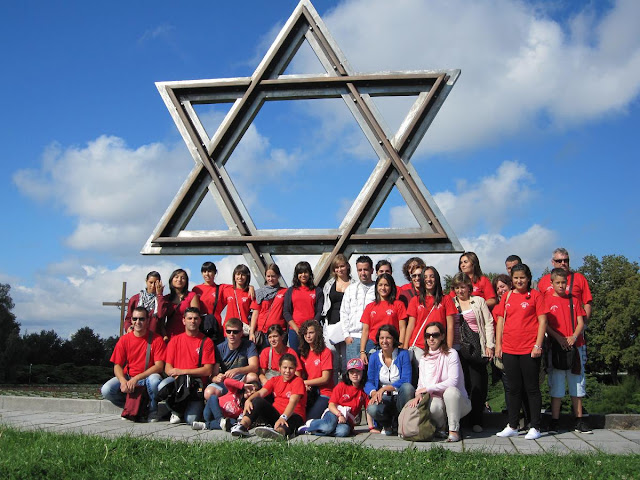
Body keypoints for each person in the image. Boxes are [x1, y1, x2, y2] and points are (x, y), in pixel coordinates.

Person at [495, 264, 547, 440]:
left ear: (528, 278)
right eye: (516, 278)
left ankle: (535, 426)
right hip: (509, 348)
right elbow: (501, 320)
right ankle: (513, 425)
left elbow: (542, 321)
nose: (519, 281)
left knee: (531, 388)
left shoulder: (536, 296)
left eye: (522, 278)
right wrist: (498, 345)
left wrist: (538, 345)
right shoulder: (508, 296)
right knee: (513, 389)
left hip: (529, 349)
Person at [405, 322, 471, 442]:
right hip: (437, 399)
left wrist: (428, 389)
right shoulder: (424, 358)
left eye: (435, 335)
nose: (431, 338)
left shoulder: (451, 354)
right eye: (428, 335)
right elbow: (421, 384)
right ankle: (441, 427)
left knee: (450, 392)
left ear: (442, 336)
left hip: (458, 402)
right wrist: (418, 394)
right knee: (434, 406)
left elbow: (453, 381)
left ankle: (453, 430)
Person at [545, 268, 590, 434]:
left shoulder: (574, 300)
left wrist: (574, 336)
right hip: (556, 347)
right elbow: (545, 324)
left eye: (564, 282)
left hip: (574, 347)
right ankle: (554, 420)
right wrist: (558, 338)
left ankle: (579, 419)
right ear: (552, 284)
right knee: (556, 385)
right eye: (558, 282)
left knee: (577, 384)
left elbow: (580, 321)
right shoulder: (547, 300)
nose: (561, 285)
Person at [101, 307, 166, 422]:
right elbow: (117, 365)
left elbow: (159, 366)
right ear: (131, 320)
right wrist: (123, 381)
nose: (138, 322)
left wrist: (137, 378)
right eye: (135, 319)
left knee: (155, 381)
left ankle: (152, 410)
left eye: (141, 319)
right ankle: (133, 407)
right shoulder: (124, 340)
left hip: (147, 377)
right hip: (128, 376)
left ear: (148, 320)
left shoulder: (157, 339)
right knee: (106, 389)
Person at [450, 273, 494, 433]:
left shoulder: (478, 301)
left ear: (469, 287)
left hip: (476, 347)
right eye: (457, 287)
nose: (460, 290)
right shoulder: (451, 303)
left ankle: (477, 419)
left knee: (477, 385)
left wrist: (490, 345)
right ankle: (461, 419)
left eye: (463, 287)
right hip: (456, 348)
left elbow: (488, 322)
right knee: (461, 384)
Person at [157, 307, 216, 424]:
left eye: (195, 318)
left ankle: (179, 410)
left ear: (200, 321)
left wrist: (183, 372)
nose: (192, 321)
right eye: (189, 318)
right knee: (161, 386)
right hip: (177, 381)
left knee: (191, 420)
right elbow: (167, 367)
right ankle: (176, 410)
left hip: (195, 384)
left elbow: (207, 370)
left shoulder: (206, 341)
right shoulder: (175, 340)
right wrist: (178, 376)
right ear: (184, 320)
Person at [231, 353, 307, 439]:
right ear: (279, 368)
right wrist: (249, 400)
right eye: (285, 368)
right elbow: (260, 393)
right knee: (257, 400)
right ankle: (242, 426)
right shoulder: (275, 380)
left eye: (291, 368)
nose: (287, 371)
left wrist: (284, 417)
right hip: (277, 415)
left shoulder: (298, 381)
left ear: (295, 369)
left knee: (291, 421)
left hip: (293, 415)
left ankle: (279, 433)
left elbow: (293, 401)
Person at [404, 267, 456, 375]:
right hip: (419, 346)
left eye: (432, 276)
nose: (429, 279)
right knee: (420, 378)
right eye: (426, 277)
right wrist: (405, 347)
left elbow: (450, 326)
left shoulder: (446, 299)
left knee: (437, 377)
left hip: (439, 345)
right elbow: (411, 325)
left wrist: (449, 349)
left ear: (436, 279)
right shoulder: (415, 300)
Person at [298, 358, 368, 437]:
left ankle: (315, 430)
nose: (355, 374)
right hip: (334, 412)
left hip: (346, 420)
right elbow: (331, 405)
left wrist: (371, 427)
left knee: (343, 432)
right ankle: (311, 423)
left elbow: (367, 409)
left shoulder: (364, 390)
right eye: (352, 372)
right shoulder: (341, 386)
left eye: (358, 371)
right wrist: (339, 415)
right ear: (348, 373)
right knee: (328, 426)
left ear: (363, 372)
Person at [365, 325, 415, 435]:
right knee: (372, 408)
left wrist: (385, 388)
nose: (384, 341)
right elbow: (369, 381)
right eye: (381, 338)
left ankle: (400, 421)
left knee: (408, 388)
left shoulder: (403, 354)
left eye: (388, 338)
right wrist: (374, 392)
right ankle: (386, 424)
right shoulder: (374, 357)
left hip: (399, 395)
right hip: (383, 397)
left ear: (394, 339)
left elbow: (406, 379)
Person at [204, 317, 259, 401]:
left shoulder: (249, 345)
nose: (231, 334)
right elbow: (213, 375)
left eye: (235, 332)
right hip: (227, 382)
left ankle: (241, 401)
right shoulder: (219, 348)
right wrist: (217, 378)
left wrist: (237, 370)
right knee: (208, 392)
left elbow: (254, 367)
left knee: (252, 377)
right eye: (228, 331)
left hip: (242, 380)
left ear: (241, 333)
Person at [359, 273, 407, 364]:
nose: (383, 288)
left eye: (386, 285)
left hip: (392, 345)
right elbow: (365, 330)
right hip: (372, 345)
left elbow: (402, 328)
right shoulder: (370, 306)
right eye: (380, 285)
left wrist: (400, 347)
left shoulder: (398, 305)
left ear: (391, 287)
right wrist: (362, 351)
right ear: (376, 287)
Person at [321, 254, 356, 379]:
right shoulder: (329, 285)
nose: (339, 269)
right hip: (331, 326)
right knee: (332, 360)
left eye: (342, 266)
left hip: (348, 327)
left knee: (347, 361)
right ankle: (334, 390)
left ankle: (347, 389)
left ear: (347, 266)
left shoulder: (354, 285)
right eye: (336, 267)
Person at [538, 248, 593, 323]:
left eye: (566, 260)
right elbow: (539, 305)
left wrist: (584, 324)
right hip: (551, 326)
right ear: (553, 262)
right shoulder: (544, 280)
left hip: (574, 326)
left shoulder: (579, 278)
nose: (563, 263)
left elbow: (588, 302)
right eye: (559, 261)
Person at [340, 256, 376, 366]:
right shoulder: (351, 289)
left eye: (366, 269)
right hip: (353, 337)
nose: (363, 273)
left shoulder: (378, 289)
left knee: (369, 373)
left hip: (371, 338)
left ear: (372, 270)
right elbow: (344, 312)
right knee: (353, 374)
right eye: (360, 270)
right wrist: (346, 335)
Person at [283, 261, 323, 354]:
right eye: (300, 273)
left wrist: (311, 330)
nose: (303, 275)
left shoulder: (317, 290)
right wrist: (296, 329)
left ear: (310, 274)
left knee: (312, 357)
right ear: (297, 275)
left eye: (306, 272)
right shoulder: (291, 290)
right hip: (295, 331)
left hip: (312, 332)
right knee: (296, 359)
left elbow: (319, 311)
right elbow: (286, 312)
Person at [191, 379, 260, 431]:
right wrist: (242, 385)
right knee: (213, 397)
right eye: (251, 389)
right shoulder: (234, 391)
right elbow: (226, 381)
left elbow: (242, 421)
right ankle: (220, 420)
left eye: (254, 392)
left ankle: (205, 425)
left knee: (233, 422)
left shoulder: (245, 406)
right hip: (211, 413)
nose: (251, 392)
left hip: (223, 421)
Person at [298, 320, 334, 420]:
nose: (308, 336)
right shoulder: (304, 354)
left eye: (311, 333)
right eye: (305, 334)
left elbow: (325, 379)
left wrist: (304, 383)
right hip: (309, 391)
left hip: (325, 393)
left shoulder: (326, 352)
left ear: (317, 333)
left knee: (310, 418)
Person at [249, 263, 287, 351]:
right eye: (268, 276)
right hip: (263, 333)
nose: (270, 279)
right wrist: (251, 332)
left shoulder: (285, 292)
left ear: (278, 276)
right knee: (263, 361)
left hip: (279, 333)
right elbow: (255, 314)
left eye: (273, 276)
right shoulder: (259, 293)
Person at [160, 269, 200, 340]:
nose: (179, 279)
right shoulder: (166, 298)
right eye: (176, 277)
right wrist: (164, 335)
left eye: (183, 278)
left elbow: (196, 317)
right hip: (170, 336)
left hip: (187, 335)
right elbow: (161, 320)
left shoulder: (191, 296)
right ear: (171, 280)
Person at [193, 262, 226, 341]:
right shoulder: (196, 289)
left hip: (215, 327)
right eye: (204, 271)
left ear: (215, 273)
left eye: (210, 271)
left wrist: (250, 287)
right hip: (200, 327)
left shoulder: (221, 288)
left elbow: (238, 288)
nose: (207, 274)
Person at [221, 264, 254, 335]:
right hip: (228, 330)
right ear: (234, 276)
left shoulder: (250, 292)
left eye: (243, 275)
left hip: (242, 330)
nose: (240, 277)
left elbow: (255, 313)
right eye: (238, 274)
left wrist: (250, 287)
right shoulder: (227, 290)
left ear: (247, 277)